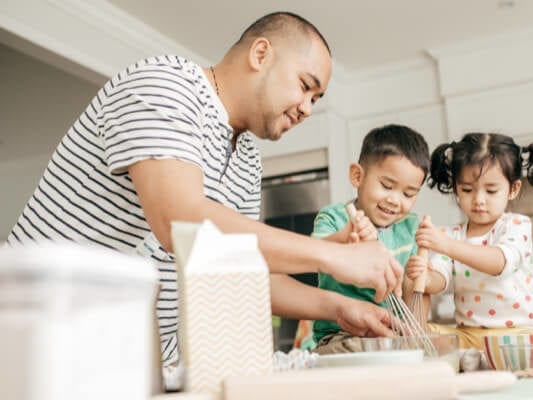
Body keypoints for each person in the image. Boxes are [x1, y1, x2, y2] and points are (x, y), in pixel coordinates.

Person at [6, 12, 402, 370]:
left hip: (131, 361)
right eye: (305, 86)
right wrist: (331, 256)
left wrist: (341, 307)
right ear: (260, 53)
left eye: (316, 99)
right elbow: (180, 221)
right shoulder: (165, 83)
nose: (308, 109)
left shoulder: (247, 157)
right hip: (35, 341)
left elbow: (236, 267)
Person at [404, 132, 533, 350]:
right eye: (467, 190)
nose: (478, 200)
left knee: (532, 350)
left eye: (491, 190)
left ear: (513, 189)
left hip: (521, 334)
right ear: (456, 188)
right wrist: (424, 276)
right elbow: (442, 279)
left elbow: (499, 263)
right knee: (421, 337)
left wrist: (446, 245)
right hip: (470, 336)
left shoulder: (516, 225)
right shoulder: (451, 235)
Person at [310, 124, 430, 354]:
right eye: (387, 186)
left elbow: (414, 295)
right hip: (341, 335)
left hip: (392, 336)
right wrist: (345, 240)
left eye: (408, 194)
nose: (395, 200)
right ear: (357, 176)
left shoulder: (411, 228)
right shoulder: (335, 217)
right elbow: (313, 253)